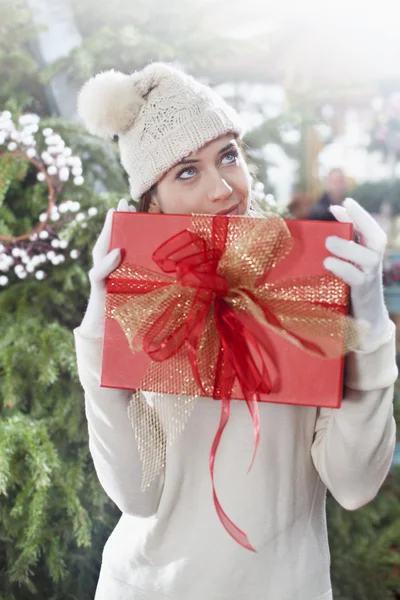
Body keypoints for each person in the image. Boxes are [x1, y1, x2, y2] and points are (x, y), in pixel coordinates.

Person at [75, 63, 397, 600]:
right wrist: (100, 333)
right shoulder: (149, 305)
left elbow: (355, 484)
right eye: (186, 171)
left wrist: (367, 326)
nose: (222, 189)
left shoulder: (304, 283)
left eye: (228, 155)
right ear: (150, 202)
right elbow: (138, 494)